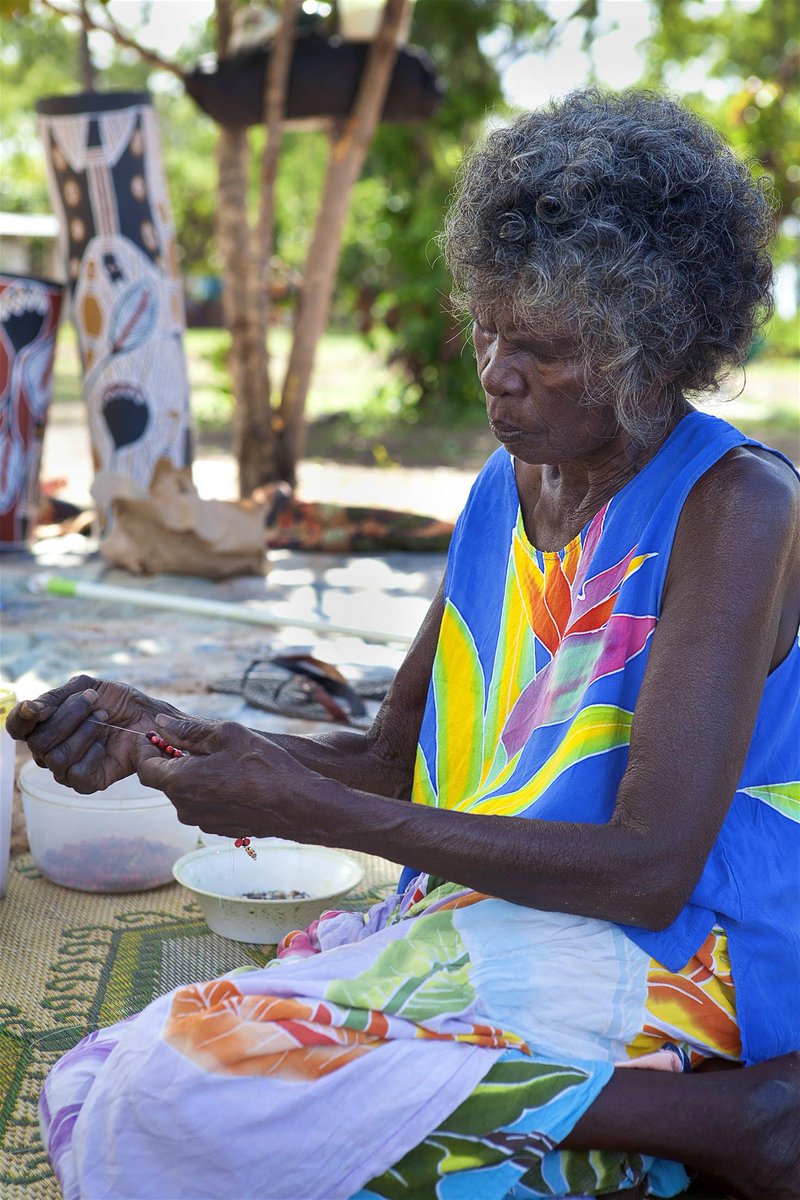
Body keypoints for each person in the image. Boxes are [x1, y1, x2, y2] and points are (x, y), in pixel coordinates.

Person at [9, 89, 800, 1200]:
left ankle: (716, 1115)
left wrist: (309, 810)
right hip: (516, 914)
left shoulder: (735, 505)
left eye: (542, 348)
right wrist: (172, 735)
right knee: (110, 1085)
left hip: (681, 956)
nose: (496, 371)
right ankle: (657, 1127)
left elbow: (648, 869)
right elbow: (394, 761)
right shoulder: (506, 485)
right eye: (487, 327)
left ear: (652, 350)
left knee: (181, 1098)